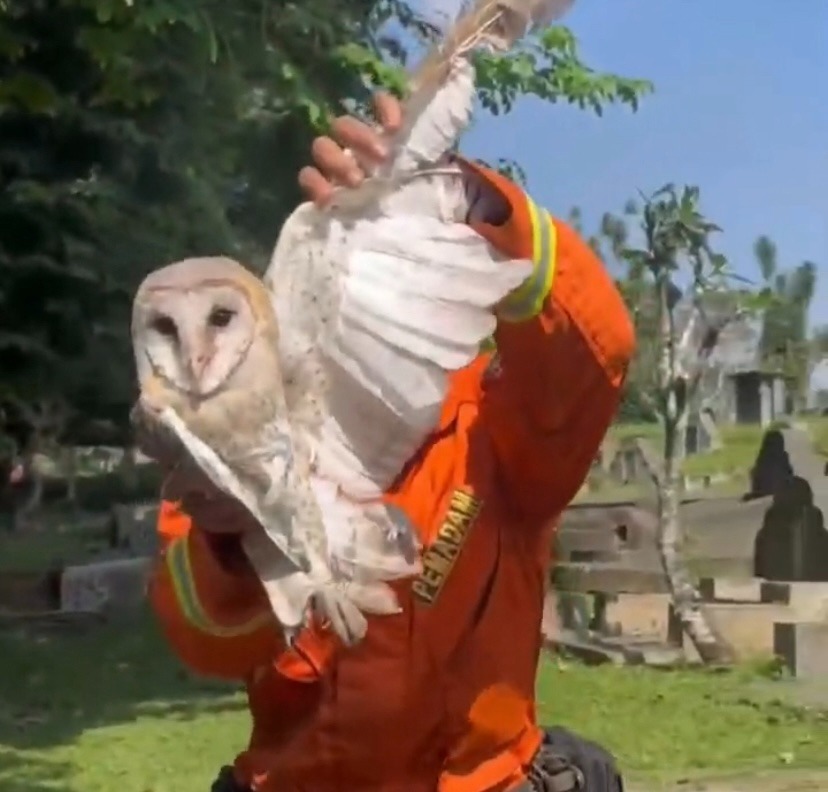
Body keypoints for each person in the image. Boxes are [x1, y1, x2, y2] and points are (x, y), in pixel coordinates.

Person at [149, 91, 634, 792]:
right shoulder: (228, 461)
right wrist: (240, 539)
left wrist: (464, 202)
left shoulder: (496, 432)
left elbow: (597, 350)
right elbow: (205, 636)